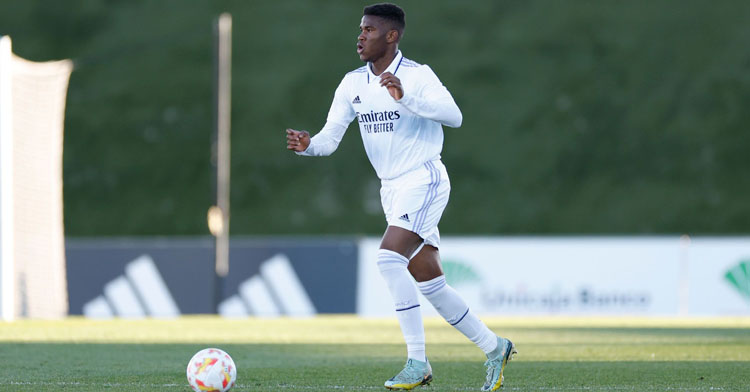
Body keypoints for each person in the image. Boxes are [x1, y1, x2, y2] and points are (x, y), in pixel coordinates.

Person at [285, 3, 516, 391]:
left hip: (423, 178)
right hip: (392, 188)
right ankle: (495, 347)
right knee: (430, 283)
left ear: (392, 36)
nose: (360, 36)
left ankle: (417, 362)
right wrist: (308, 145)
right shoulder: (351, 84)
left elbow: (454, 115)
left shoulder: (417, 75)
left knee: (388, 259)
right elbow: (329, 139)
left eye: (370, 30)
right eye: (360, 29)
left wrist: (406, 97)